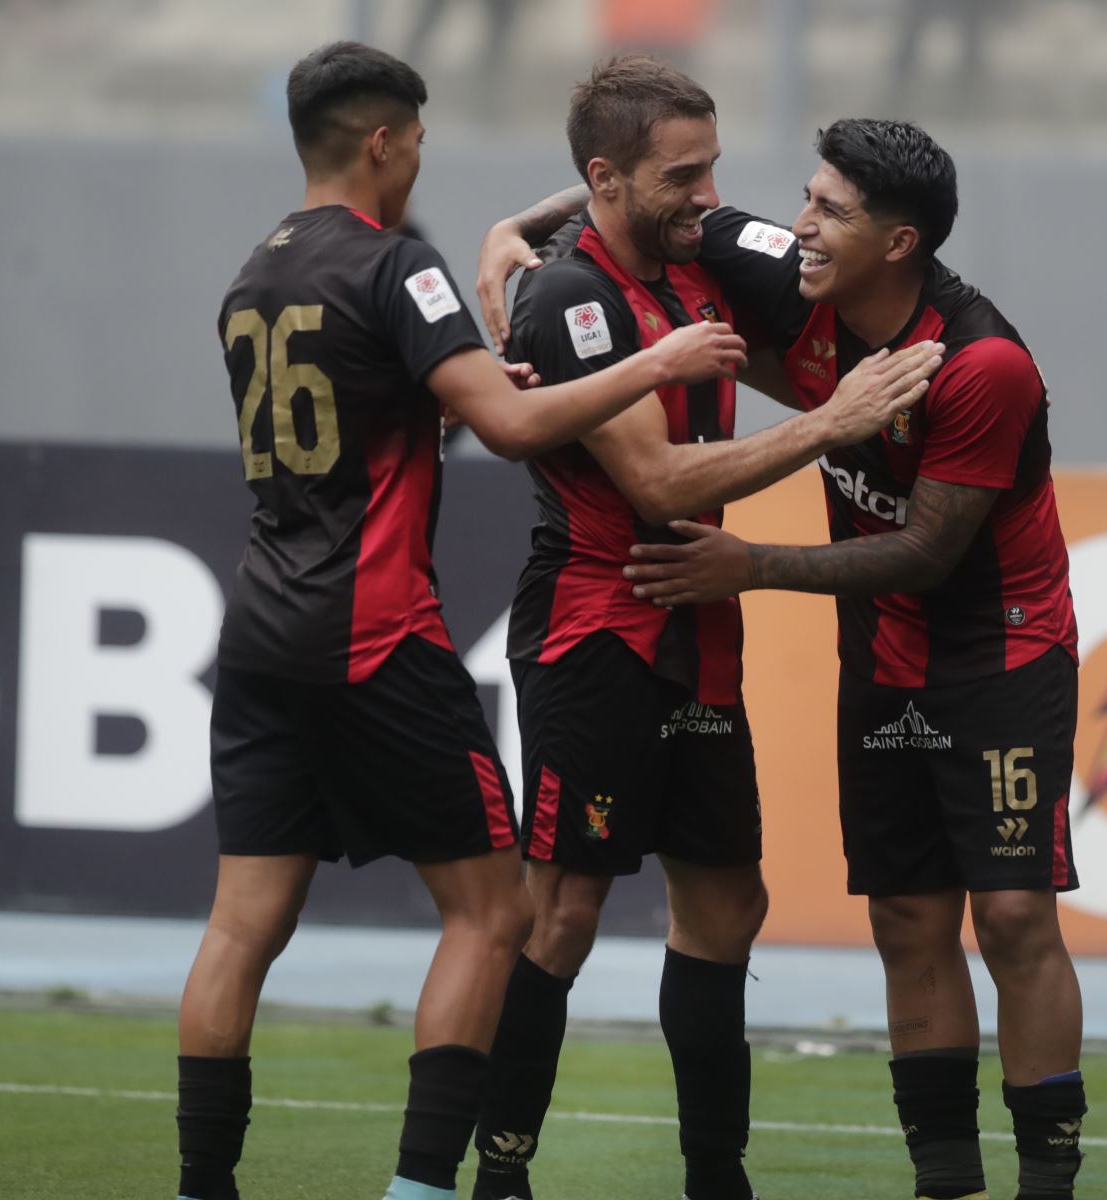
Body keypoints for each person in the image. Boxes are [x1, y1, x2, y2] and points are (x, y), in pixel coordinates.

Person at [175, 41, 751, 1200]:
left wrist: (516, 265)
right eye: (418, 141)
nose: (417, 160)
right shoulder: (403, 269)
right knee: (494, 916)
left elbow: (391, 418)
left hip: (259, 634)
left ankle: (202, 1186)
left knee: (241, 925)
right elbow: (511, 427)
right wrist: (662, 361)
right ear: (385, 141)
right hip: (376, 631)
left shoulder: (252, 276)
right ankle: (428, 1186)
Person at [481, 118, 1088, 1200]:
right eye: (807, 198)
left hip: (999, 652)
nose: (797, 224)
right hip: (879, 657)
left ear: (897, 245)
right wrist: (506, 239)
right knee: (907, 920)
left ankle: (1049, 1178)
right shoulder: (789, 269)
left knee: (1008, 915)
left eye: (829, 212)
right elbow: (634, 197)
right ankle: (945, 1183)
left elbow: (930, 550)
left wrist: (748, 564)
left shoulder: (981, 365)